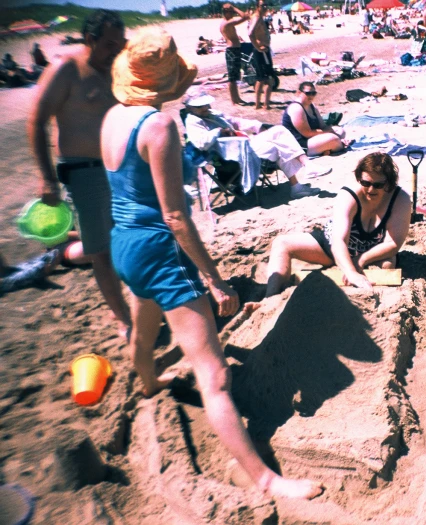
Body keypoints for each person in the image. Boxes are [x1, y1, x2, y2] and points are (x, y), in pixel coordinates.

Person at [101, 27, 323, 500]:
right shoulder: (157, 126)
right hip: (158, 249)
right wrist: (215, 280)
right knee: (214, 376)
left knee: (143, 328)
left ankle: (147, 381)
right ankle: (263, 477)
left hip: (123, 241)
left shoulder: (113, 117)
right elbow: (176, 217)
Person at [28, 9, 131, 338]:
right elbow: (36, 121)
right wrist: (46, 178)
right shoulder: (66, 69)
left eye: (122, 43)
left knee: (125, 237)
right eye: (111, 44)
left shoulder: (116, 70)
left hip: (118, 167)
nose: (118, 50)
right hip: (84, 171)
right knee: (100, 249)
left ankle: (135, 303)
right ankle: (124, 319)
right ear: (90, 39)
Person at [265, 152, 412, 297]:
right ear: (359, 179)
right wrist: (351, 272)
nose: (371, 189)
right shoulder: (349, 195)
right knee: (282, 243)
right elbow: (338, 241)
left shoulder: (400, 199)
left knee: (387, 266)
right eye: (366, 183)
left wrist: (361, 260)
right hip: (334, 248)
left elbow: (393, 243)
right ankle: (270, 298)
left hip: (372, 250)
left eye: (378, 185)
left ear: (389, 183)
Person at [182, 89, 325, 199]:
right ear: (190, 108)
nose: (205, 107)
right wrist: (218, 131)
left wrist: (257, 126)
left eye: (205, 104)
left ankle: (297, 186)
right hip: (230, 156)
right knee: (280, 134)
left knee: (278, 142)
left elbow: (235, 122)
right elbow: (200, 143)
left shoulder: (211, 113)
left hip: (243, 146)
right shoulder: (193, 121)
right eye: (200, 106)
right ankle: (306, 169)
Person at [281, 82, 349, 156]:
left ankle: (328, 148)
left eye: (313, 93)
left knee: (340, 131)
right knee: (333, 139)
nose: (311, 96)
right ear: (299, 93)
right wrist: (328, 132)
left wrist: (331, 131)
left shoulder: (312, 107)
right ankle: (338, 145)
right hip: (300, 144)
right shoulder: (296, 108)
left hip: (312, 139)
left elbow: (322, 126)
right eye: (308, 93)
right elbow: (307, 133)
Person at [220, 3, 252, 106]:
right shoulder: (226, 23)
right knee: (232, 77)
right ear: (226, 12)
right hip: (232, 50)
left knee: (235, 76)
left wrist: (232, 9)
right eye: (231, 12)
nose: (233, 14)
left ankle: (237, 98)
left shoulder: (226, 23)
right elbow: (244, 17)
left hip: (234, 50)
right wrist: (234, 8)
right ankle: (234, 100)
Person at [248, 1, 275, 109]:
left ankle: (258, 104)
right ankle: (265, 105)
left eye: (266, 5)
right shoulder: (257, 18)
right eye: (262, 5)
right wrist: (258, 47)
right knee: (268, 78)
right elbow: (250, 33)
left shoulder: (257, 17)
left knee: (260, 78)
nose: (265, 7)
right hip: (262, 52)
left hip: (261, 51)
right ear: (257, 7)